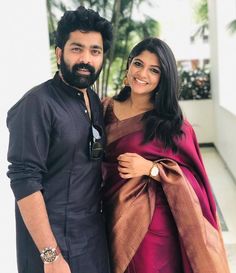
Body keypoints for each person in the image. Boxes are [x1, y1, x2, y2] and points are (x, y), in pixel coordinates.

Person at [102, 37, 230, 273]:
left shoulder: (173, 125)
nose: (142, 74)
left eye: (154, 70)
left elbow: (195, 182)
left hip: (151, 225)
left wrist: (151, 169)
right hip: (107, 216)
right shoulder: (104, 108)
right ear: (129, 64)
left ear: (163, 78)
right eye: (138, 64)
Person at [6, 6, 112, 273]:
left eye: (95, 51)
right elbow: (24, 179)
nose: (86, 58)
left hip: (92, 239)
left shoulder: (95, 102)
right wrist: (50, 256)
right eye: (77, 48)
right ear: (59, 53)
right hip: (51, 246)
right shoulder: (37, 104)